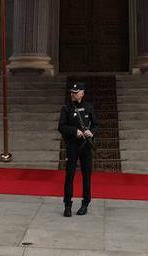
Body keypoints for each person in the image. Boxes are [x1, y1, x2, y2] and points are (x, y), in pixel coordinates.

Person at [58, 81, 98, 217]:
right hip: (72, 145)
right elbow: (61, 127)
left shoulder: (88, 107)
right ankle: (67, 204)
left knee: (87, 175)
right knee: (69, 175)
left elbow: (96, 125)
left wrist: (91, 132)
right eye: (71, 92)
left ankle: (85, 202)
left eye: (76, 92)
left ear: (82, 93)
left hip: (86, 146)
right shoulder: (66, 108)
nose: (73, 94)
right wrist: (75, 131)